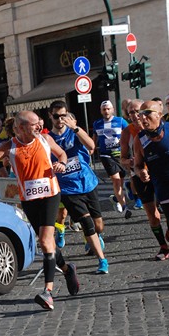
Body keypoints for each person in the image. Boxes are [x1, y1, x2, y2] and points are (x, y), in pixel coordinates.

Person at [0, 110, 79, 311]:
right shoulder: (9, 147)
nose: (38, 127)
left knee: (44, 241)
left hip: (50, 195)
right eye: (34, 125)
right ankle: (67, 269)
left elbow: (62, 153)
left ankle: (48, 293)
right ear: (21, 127)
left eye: (38, 124)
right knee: (47, 242)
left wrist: (61, 163)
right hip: (30, 201)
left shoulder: (44, 139)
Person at [49, 102, 109, 274]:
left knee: (98, 224)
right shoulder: (48, 139)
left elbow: (91, 146)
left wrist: (76, 128)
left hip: (87, 182)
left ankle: (96, 238)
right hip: (68, 189)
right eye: (56, 116)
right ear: (50, 116)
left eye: (63, 115)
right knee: (87, 223)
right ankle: (102, 260)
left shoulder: (74, 132)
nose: (60, 119)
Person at [121, 99, 169, 260]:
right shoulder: (129, 133)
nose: (136, 116)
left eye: (139, 112)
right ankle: (163, 246)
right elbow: (123, 158)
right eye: (132, 113)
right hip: (141, 177)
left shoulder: (165, 127)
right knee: (152, 214)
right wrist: (132, 163)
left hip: (163, 175)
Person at [134, 100, 169, 255]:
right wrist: (141, 172)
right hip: (164, 189)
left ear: (159, 114)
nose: (142, 118)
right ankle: (168, 235)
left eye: (147, 113)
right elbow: (137, 165)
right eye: (140, 114)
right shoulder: (140, 140)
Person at [93, 100, 131, 217]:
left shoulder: (120, 121)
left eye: (108, 109)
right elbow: (93, 140)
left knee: (121, 181)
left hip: (120, 155)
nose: (106, 111)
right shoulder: (97, 123)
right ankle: (125, 208)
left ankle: (116, 198)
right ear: (101, 111)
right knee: (116, 180)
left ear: (113, 109)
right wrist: (90, 150)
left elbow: (130, 134)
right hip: (106, 156)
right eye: (104, 109)